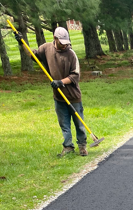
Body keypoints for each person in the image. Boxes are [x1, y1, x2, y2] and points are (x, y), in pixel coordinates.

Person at [14, 27, 88, 157]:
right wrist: (22, 42)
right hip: (58, 97)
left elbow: (75, 76)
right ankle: (68, 146)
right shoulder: (46, 48)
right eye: (62, 42)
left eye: (66, 43)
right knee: (64, 124)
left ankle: (82, 146)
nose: (65, 45)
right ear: (55, 39)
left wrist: (60, 82)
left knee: (79, 123)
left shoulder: (71, 54)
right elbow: (32, 55)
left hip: (73, 96)